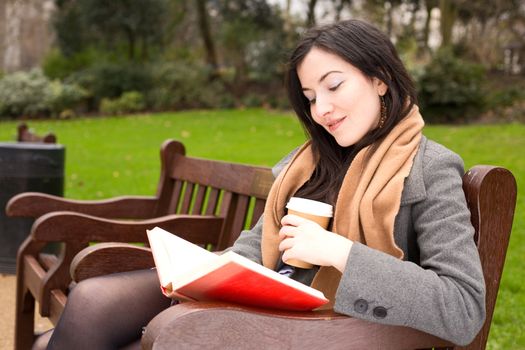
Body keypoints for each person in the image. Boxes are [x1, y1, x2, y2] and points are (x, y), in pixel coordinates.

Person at [46, 19, 485, 349]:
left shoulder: (432, 168)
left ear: (379, 79)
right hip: (266, 306)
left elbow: (463, 307)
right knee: (91, 300)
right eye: (311, 98)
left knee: (166, 331)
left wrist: (340, 253)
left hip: (328, 331)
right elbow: (255, 252)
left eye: (334, 86)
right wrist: (199, 269)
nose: (323, 110)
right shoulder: (311, 164)